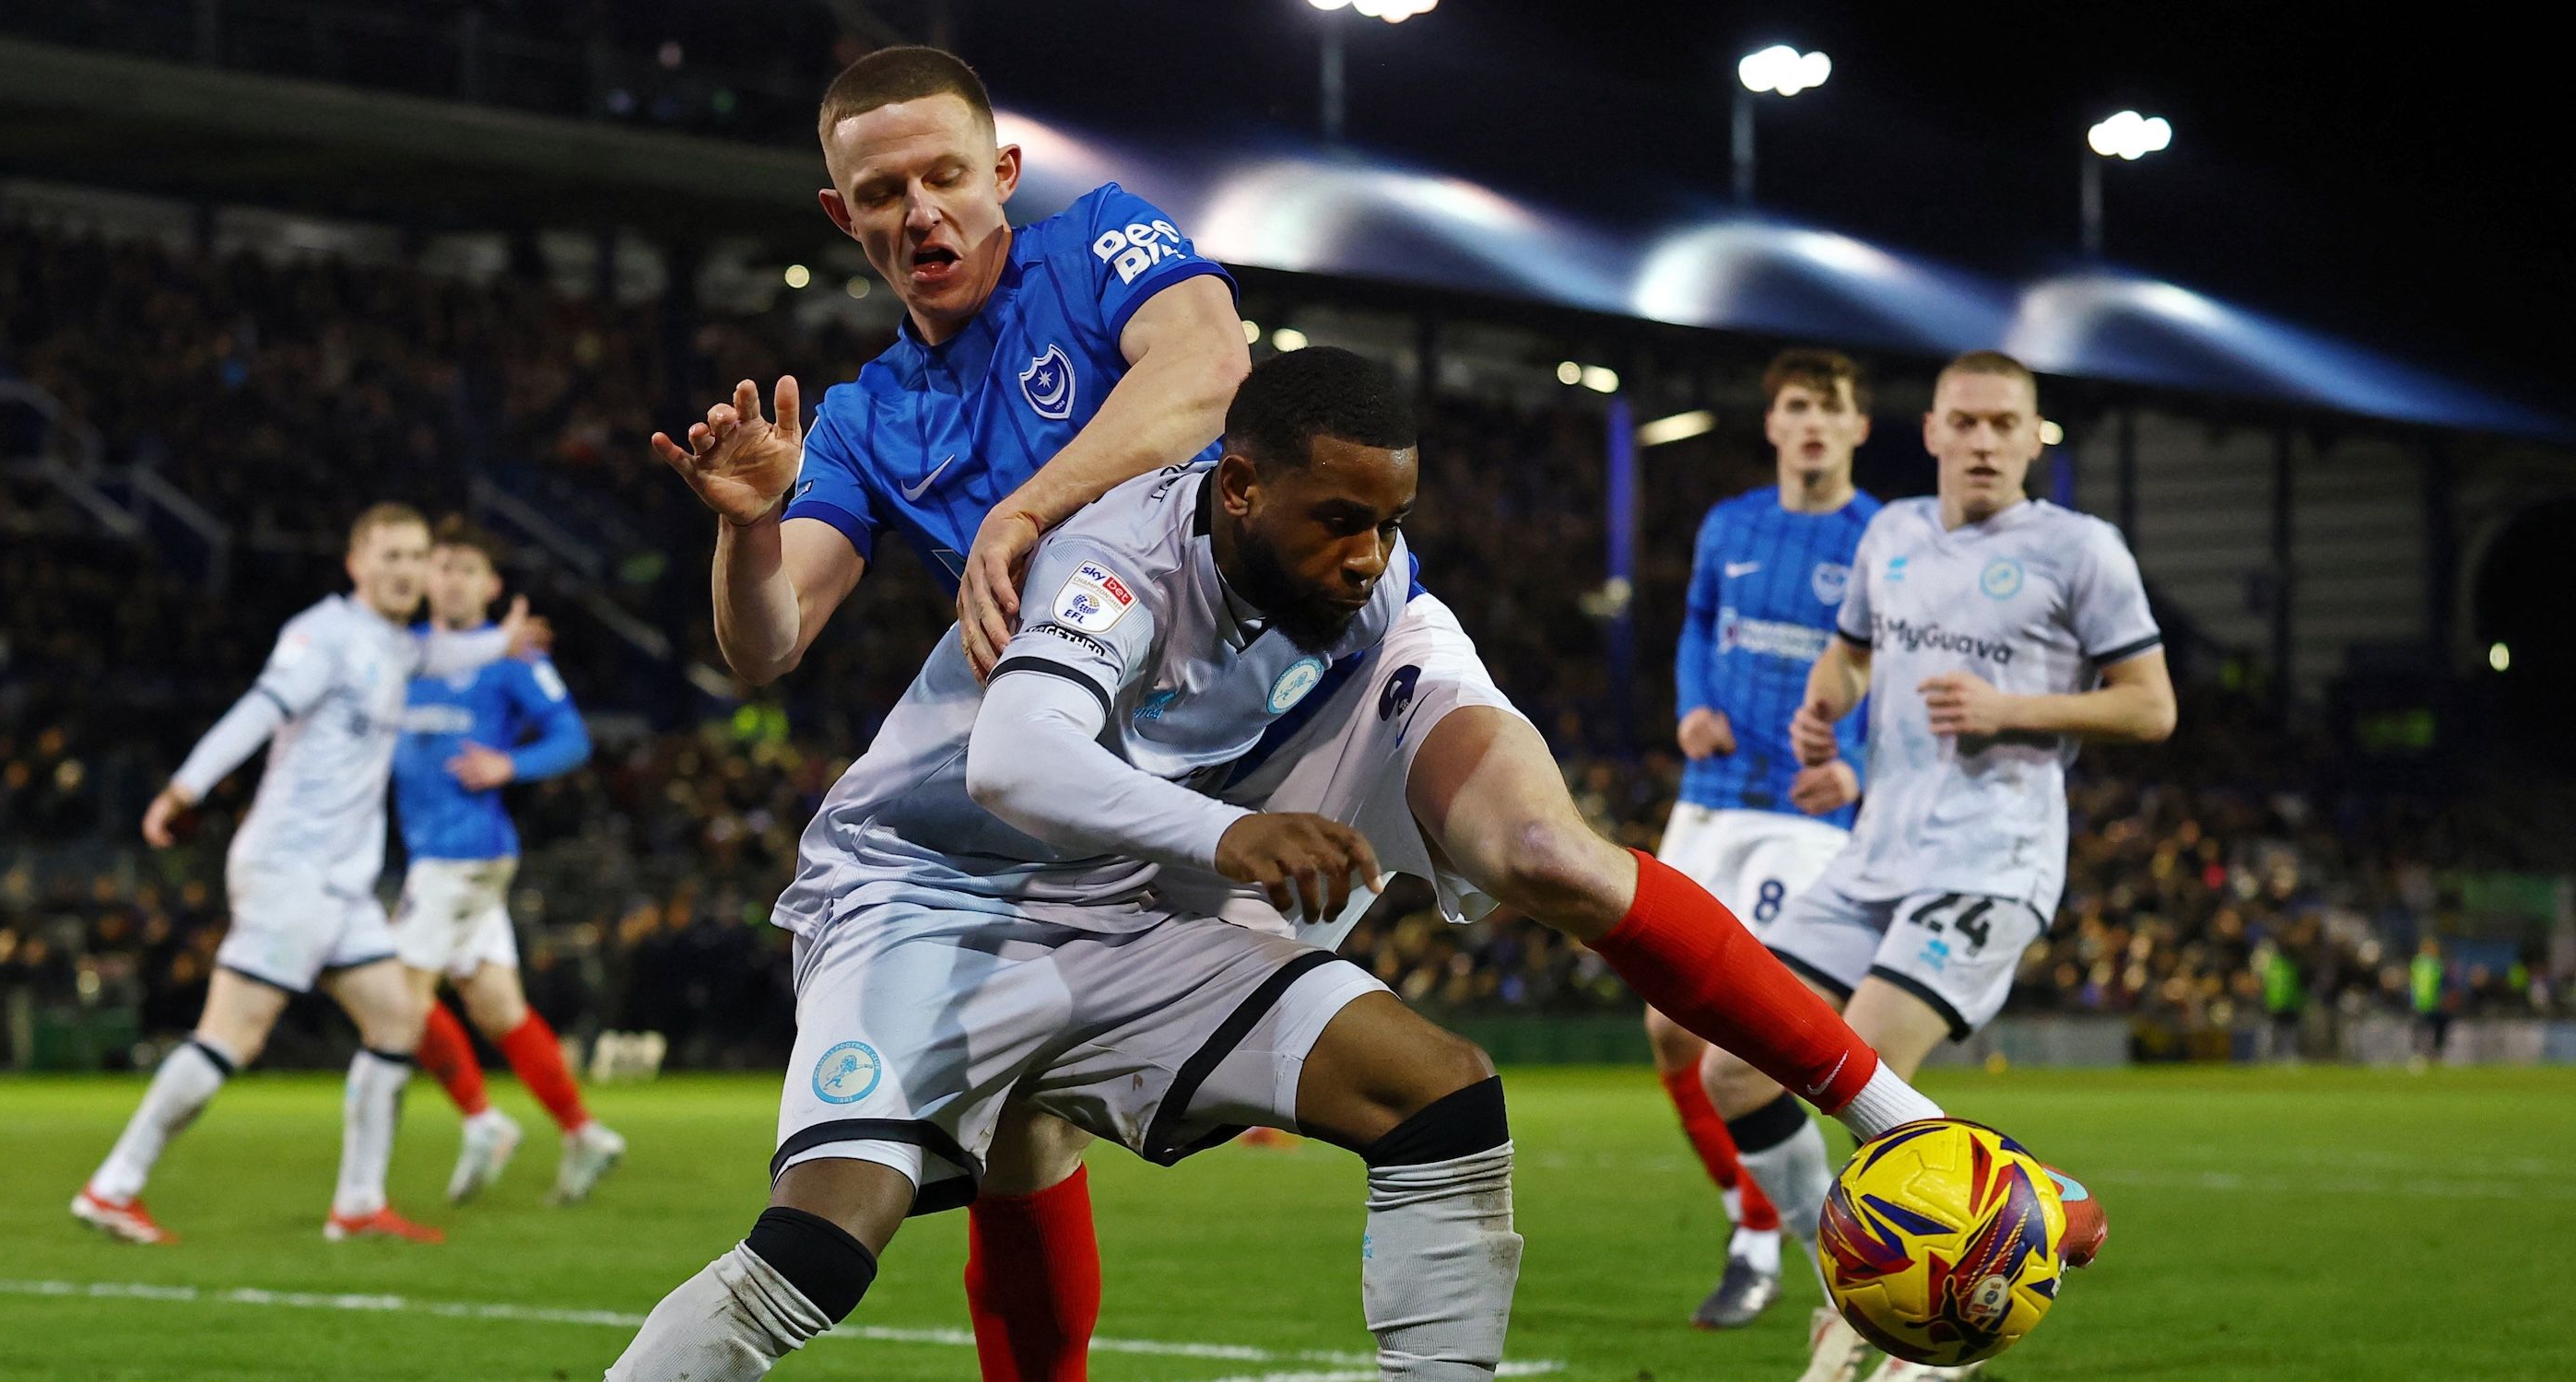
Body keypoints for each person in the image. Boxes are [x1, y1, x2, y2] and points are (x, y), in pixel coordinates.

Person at [656, 46, 1989, 1382]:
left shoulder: (1097, 243)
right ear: (843, 216)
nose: (920, 211)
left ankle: (1905, 1120)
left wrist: (1026, 509)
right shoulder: (864, 417)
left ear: (1002, 174)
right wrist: (748, 532)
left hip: (1335, 644)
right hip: (1161, 737)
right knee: (1024, 1136)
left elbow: (1207, 364)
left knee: (1543, 854)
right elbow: (768, 644)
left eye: (945, 174)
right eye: (881, 192)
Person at [610, 346, 1543, 1380]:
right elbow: (1013, 760)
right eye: (1339, 519)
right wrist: (1227, 837)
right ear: (1239, 487)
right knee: (817, 1253)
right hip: (926, 890)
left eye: (1391, 522)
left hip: (1113, 902)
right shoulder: (1113, 559)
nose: (1370, 555)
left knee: (1441, 1095)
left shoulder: (1364, 591)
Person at [1700, 350, 2168, 1382]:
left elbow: (2150, 704)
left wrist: (2017, 711)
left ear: (2034, 436)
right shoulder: (1892, 531)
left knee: (1860, 1070)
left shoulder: (2080, 550)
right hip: (1874, 855)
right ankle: (1899, 1275)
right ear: (1933, 432)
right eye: (1968, 422)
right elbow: (1855, 652)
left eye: (2009, 424)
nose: (1987, 441)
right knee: (1730, 1065)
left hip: (1989, 861)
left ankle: (1952, 1304)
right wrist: (1825, 706)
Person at [71, 503, 544, 1246]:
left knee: (397, 1019)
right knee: (231, 1038)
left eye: (415, 557)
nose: (405, 571)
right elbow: (256, 712)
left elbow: (448, 658)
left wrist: (501, 642)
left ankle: (358, 1205)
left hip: (343, 887)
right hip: (290, 872)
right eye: (388, 556)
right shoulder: (324, 637)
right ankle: (113, 1185)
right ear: (355, 565)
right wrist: (184, 789)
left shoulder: (398, 646)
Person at [1650, 347, 1883, 1329]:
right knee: (1668, 1033)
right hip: (1711, 795)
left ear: (1860, 429)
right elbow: (1699, 625)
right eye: (1798, 406)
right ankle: (1753, 1228)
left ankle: (1840, 1255)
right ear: (1775, 424)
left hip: (1806, 816)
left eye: (1833, 409)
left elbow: (1894, 672)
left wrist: (1860, 765)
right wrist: (1693, 705)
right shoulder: (1730, 525)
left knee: (1755, 1037)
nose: (1816, 424)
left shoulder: (1881, 539)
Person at [388, 516, 626, 1206]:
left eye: (467, 568)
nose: (452, 578)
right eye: (443, 565)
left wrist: (508, 763)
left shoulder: (511, 657)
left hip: (461, 854)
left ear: (491, 585)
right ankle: (583, 1132)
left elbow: (573, 737)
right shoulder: (409, 653)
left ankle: (481, 1120)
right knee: (497, 1008)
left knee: (395, 1000)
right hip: (436, 853)